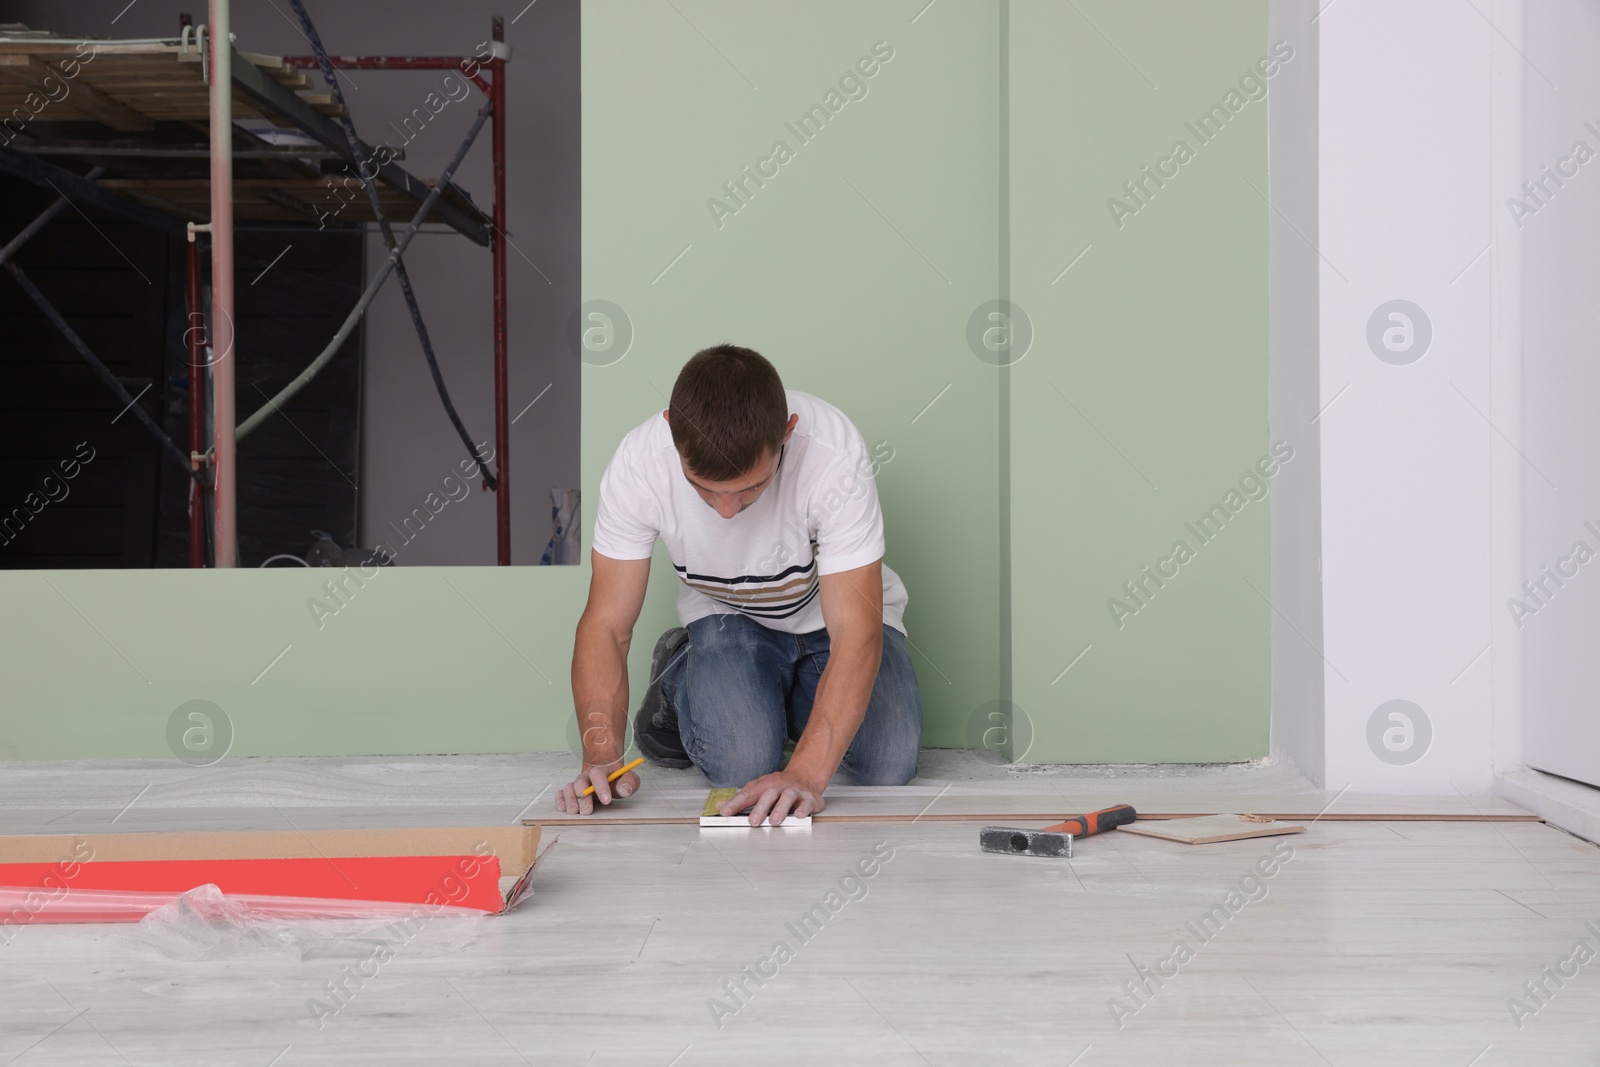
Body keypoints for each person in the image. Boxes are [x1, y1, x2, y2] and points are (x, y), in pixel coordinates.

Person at [554, 344, 921, 824]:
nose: (727, 511)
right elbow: (606, 625)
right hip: (730, 617)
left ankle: (778, 699)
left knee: (887, 763)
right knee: (740, 765)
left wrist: (807, 772)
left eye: (749, 487)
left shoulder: (834, 452)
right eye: (704, 488)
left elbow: (856, 633)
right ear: (671, 430)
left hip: (835, 624)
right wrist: (601, 755)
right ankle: (681, 674)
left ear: (787, 433)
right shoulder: (638, 464)